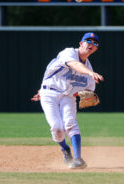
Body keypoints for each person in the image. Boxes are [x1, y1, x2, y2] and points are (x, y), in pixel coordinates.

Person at [31, 32, 104, 169]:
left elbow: (88, 91)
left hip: (67, 96)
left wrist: (87, 95)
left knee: (71, 124)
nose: (91, 44)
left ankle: (78, 159)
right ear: (81, 43)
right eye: (88, 41)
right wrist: (89, 73)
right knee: (57, 128)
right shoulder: (69, 52)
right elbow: (74, 64)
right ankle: (65, 148)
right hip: (49, 92)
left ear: (96, 49)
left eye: (95, 43)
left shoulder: (89, 69)